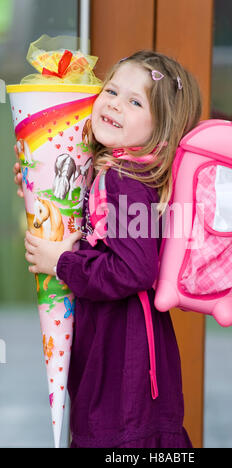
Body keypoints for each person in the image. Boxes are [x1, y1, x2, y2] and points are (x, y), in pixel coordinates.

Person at [13, 50, 202, 448]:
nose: (115, 103)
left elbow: (133, 269)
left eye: (135, 101)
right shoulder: (117, 169)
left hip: (124, 357)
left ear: (160, 127)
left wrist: (62, 264)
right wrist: (42, 183)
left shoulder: (125, 179)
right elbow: (106, 236)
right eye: (112, 90)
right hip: (118, 348)